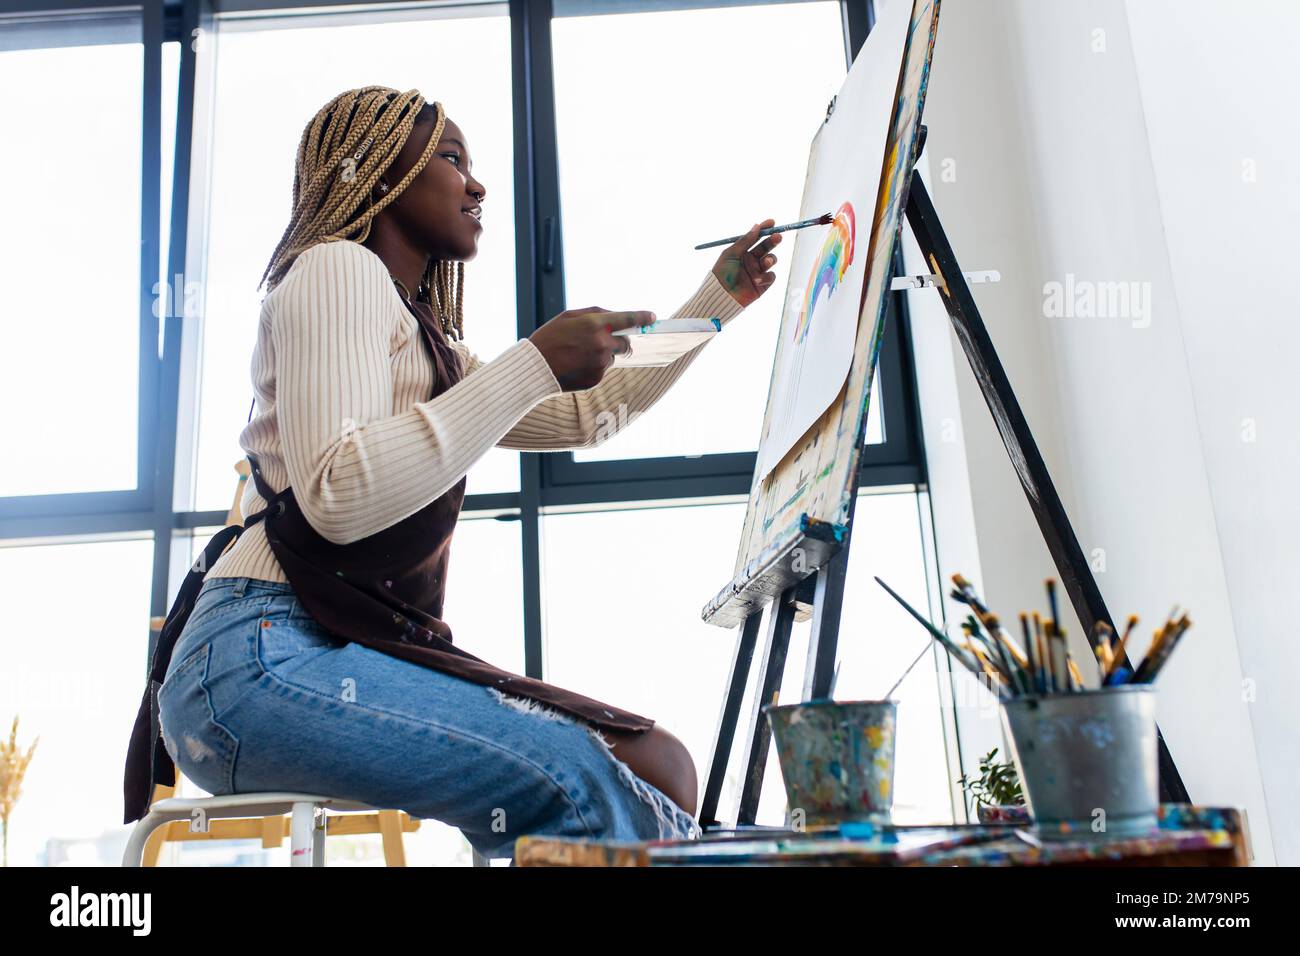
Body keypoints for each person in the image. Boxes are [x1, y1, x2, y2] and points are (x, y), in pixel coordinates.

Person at [138, 86, 781, 859]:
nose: (476, 184)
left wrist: (715, 303)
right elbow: (338, 495)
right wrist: (534, 361)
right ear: (376, 174)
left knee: (662, 768)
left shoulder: (429, 347)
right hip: (255, 653)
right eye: (449, 159)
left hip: (329, 647)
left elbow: (588, 413)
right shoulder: (335, 271)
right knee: (574, 773)